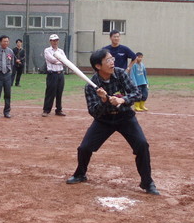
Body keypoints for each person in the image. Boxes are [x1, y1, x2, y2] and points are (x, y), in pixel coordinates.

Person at [66, 48, 160, 195]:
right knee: (84, 148)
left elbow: (137, 93)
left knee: (142, 145)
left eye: (112, 59)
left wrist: (122, 100)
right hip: (104, 120)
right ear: (98, 66)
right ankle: (80, 174)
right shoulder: (91, 85)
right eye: (108, 60)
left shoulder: (121, 73)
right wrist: (104, 100)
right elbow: (93, 111)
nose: (112, 62)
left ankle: (147, 182)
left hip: (125, 117)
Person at [42, 34, 66, 117]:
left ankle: (59, 110)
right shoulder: (47, 50)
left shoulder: (61, 51)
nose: (55, 42)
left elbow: (65, 61)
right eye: (53, 40)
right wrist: (60, 61)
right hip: (52, 74)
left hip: (60, 74)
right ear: (50, 41)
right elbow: (51, 60)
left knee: (59, 92)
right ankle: (46, 110)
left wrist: (59, 61)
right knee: (50, 92)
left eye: (56, 40)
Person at [0, 35, 14, 118]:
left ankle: (7, 112)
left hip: (7, 75)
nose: (6, 43)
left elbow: (12, 63)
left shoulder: (10, 51)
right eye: (4, 41)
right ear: (0, 42)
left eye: (7, 41)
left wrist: (9, 71)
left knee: (8, 94)